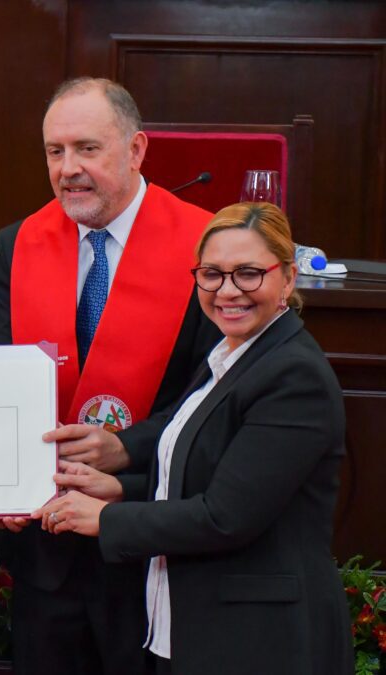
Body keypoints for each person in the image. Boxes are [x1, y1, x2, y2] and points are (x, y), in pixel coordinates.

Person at [34, 202, 353, 675]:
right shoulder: (229, 355)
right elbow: (209, 475)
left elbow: (225, 517)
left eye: (248, 273)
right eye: (212, 274)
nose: (228, 291)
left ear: (286, 278)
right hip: (198, 626)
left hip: (262, 641)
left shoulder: (293, 376)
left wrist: (108, 517)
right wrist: (121, 487)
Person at [0, 76, 221, 674]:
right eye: (54, 151)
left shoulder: (207, 247)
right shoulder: (19, 243)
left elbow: (216, 399)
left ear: (137, 149)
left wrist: (126, 451)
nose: (69, 169)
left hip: (150, 540)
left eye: (88, 148)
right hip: (47, 543)